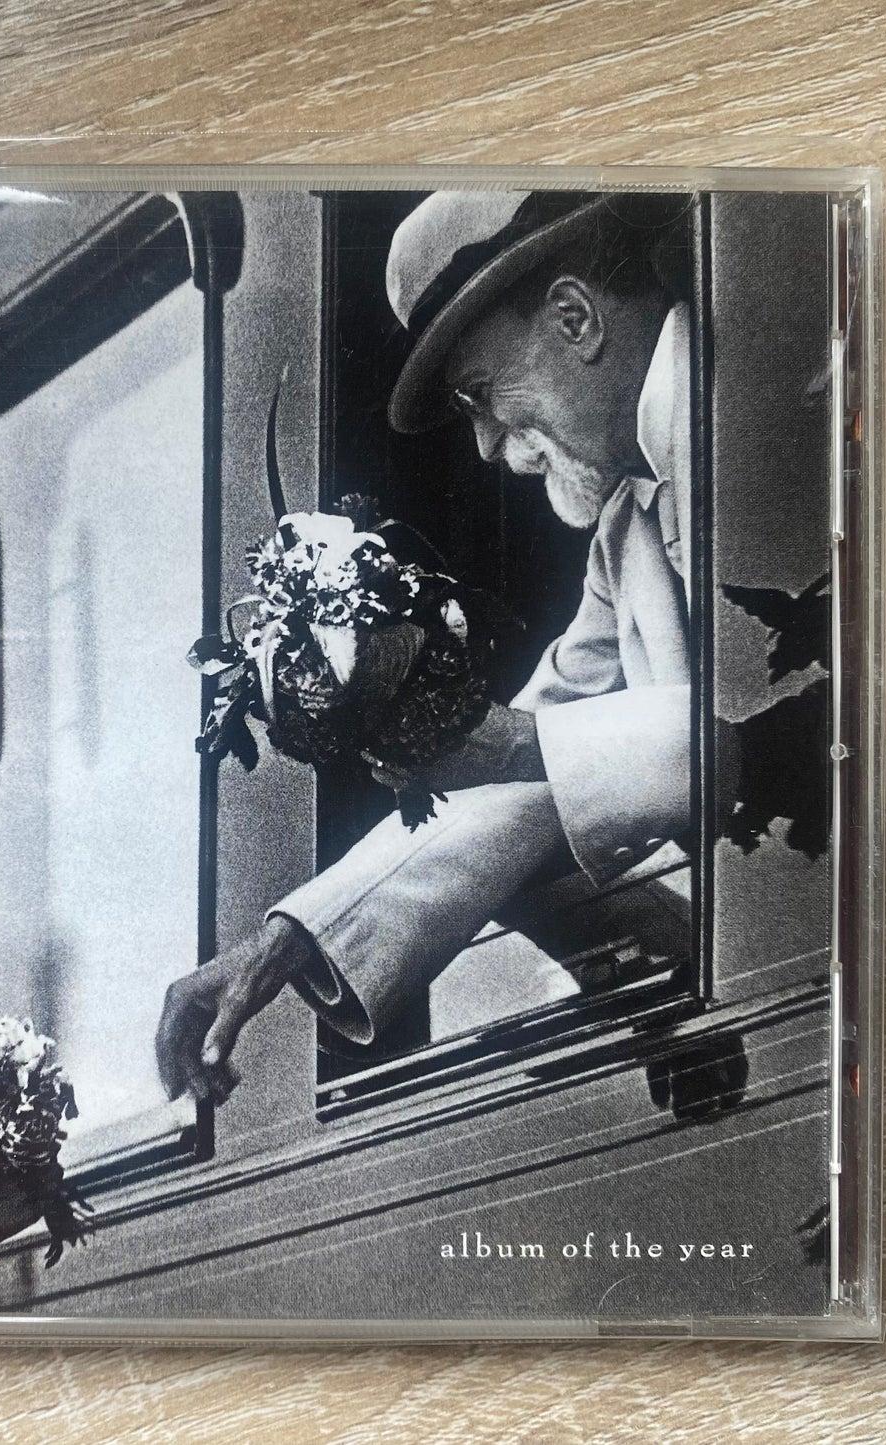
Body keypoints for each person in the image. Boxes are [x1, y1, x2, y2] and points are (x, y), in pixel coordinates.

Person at [156, 189, 697, 1105]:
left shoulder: (771, 405)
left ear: (574, 318)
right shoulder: (625, 526)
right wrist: (285, 938)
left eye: (480, 395)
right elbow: (523, 773)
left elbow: (774, 724)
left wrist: (512, 743)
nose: (482, 445)